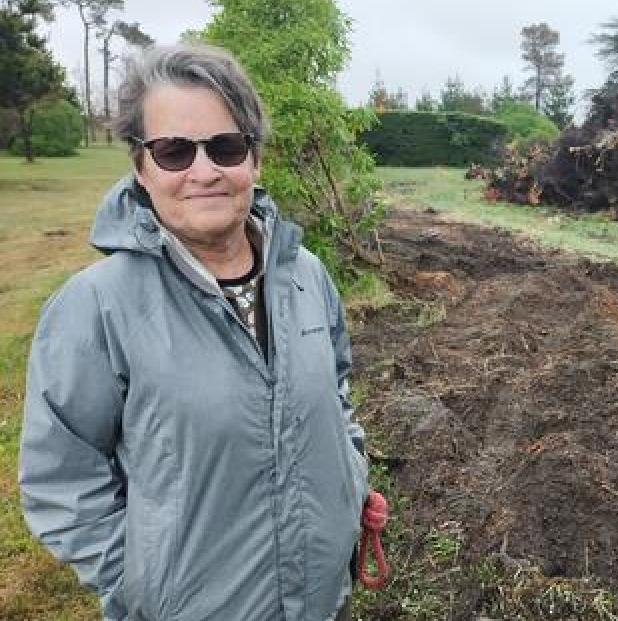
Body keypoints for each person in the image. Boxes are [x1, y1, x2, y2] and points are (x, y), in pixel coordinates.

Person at [18, 44, 369, 621]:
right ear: (140, 166)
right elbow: (63, 478)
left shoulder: (306, 276)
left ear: (253, 160)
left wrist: (350, 485)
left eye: (226, 147)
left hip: (320, 600)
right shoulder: (96, 307)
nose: (204, 171)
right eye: (175, 151)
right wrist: (143, 585)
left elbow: (338, 394)